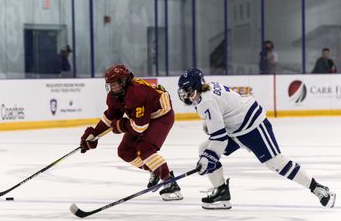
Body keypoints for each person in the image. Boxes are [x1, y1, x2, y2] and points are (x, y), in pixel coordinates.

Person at [177, 68, 336, 209]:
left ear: (198, 86)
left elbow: (219, 138)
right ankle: (222, 193)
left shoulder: (206, 100)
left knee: (275, 162)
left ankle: (317, 188)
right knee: (205, 149)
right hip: (236, 129)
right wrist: (210, 130)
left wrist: (208, 159)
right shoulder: (204, 92)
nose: (187, 96)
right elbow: (220, 118)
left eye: (189, 91)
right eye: (184, 91)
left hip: (253, 126)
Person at [79, 64, 182, 201]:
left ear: (124, 81)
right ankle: (155, 169)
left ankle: (170, 182)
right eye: (110, 85)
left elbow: (140, 127)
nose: (112, 88)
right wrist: (94, 134)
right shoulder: (114, 96)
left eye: (115, 84)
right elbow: (110, 117)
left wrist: (120, 125)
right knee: (124, 151)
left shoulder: (136, 94)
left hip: (161, 115)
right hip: (144, 118)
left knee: (145, 149)